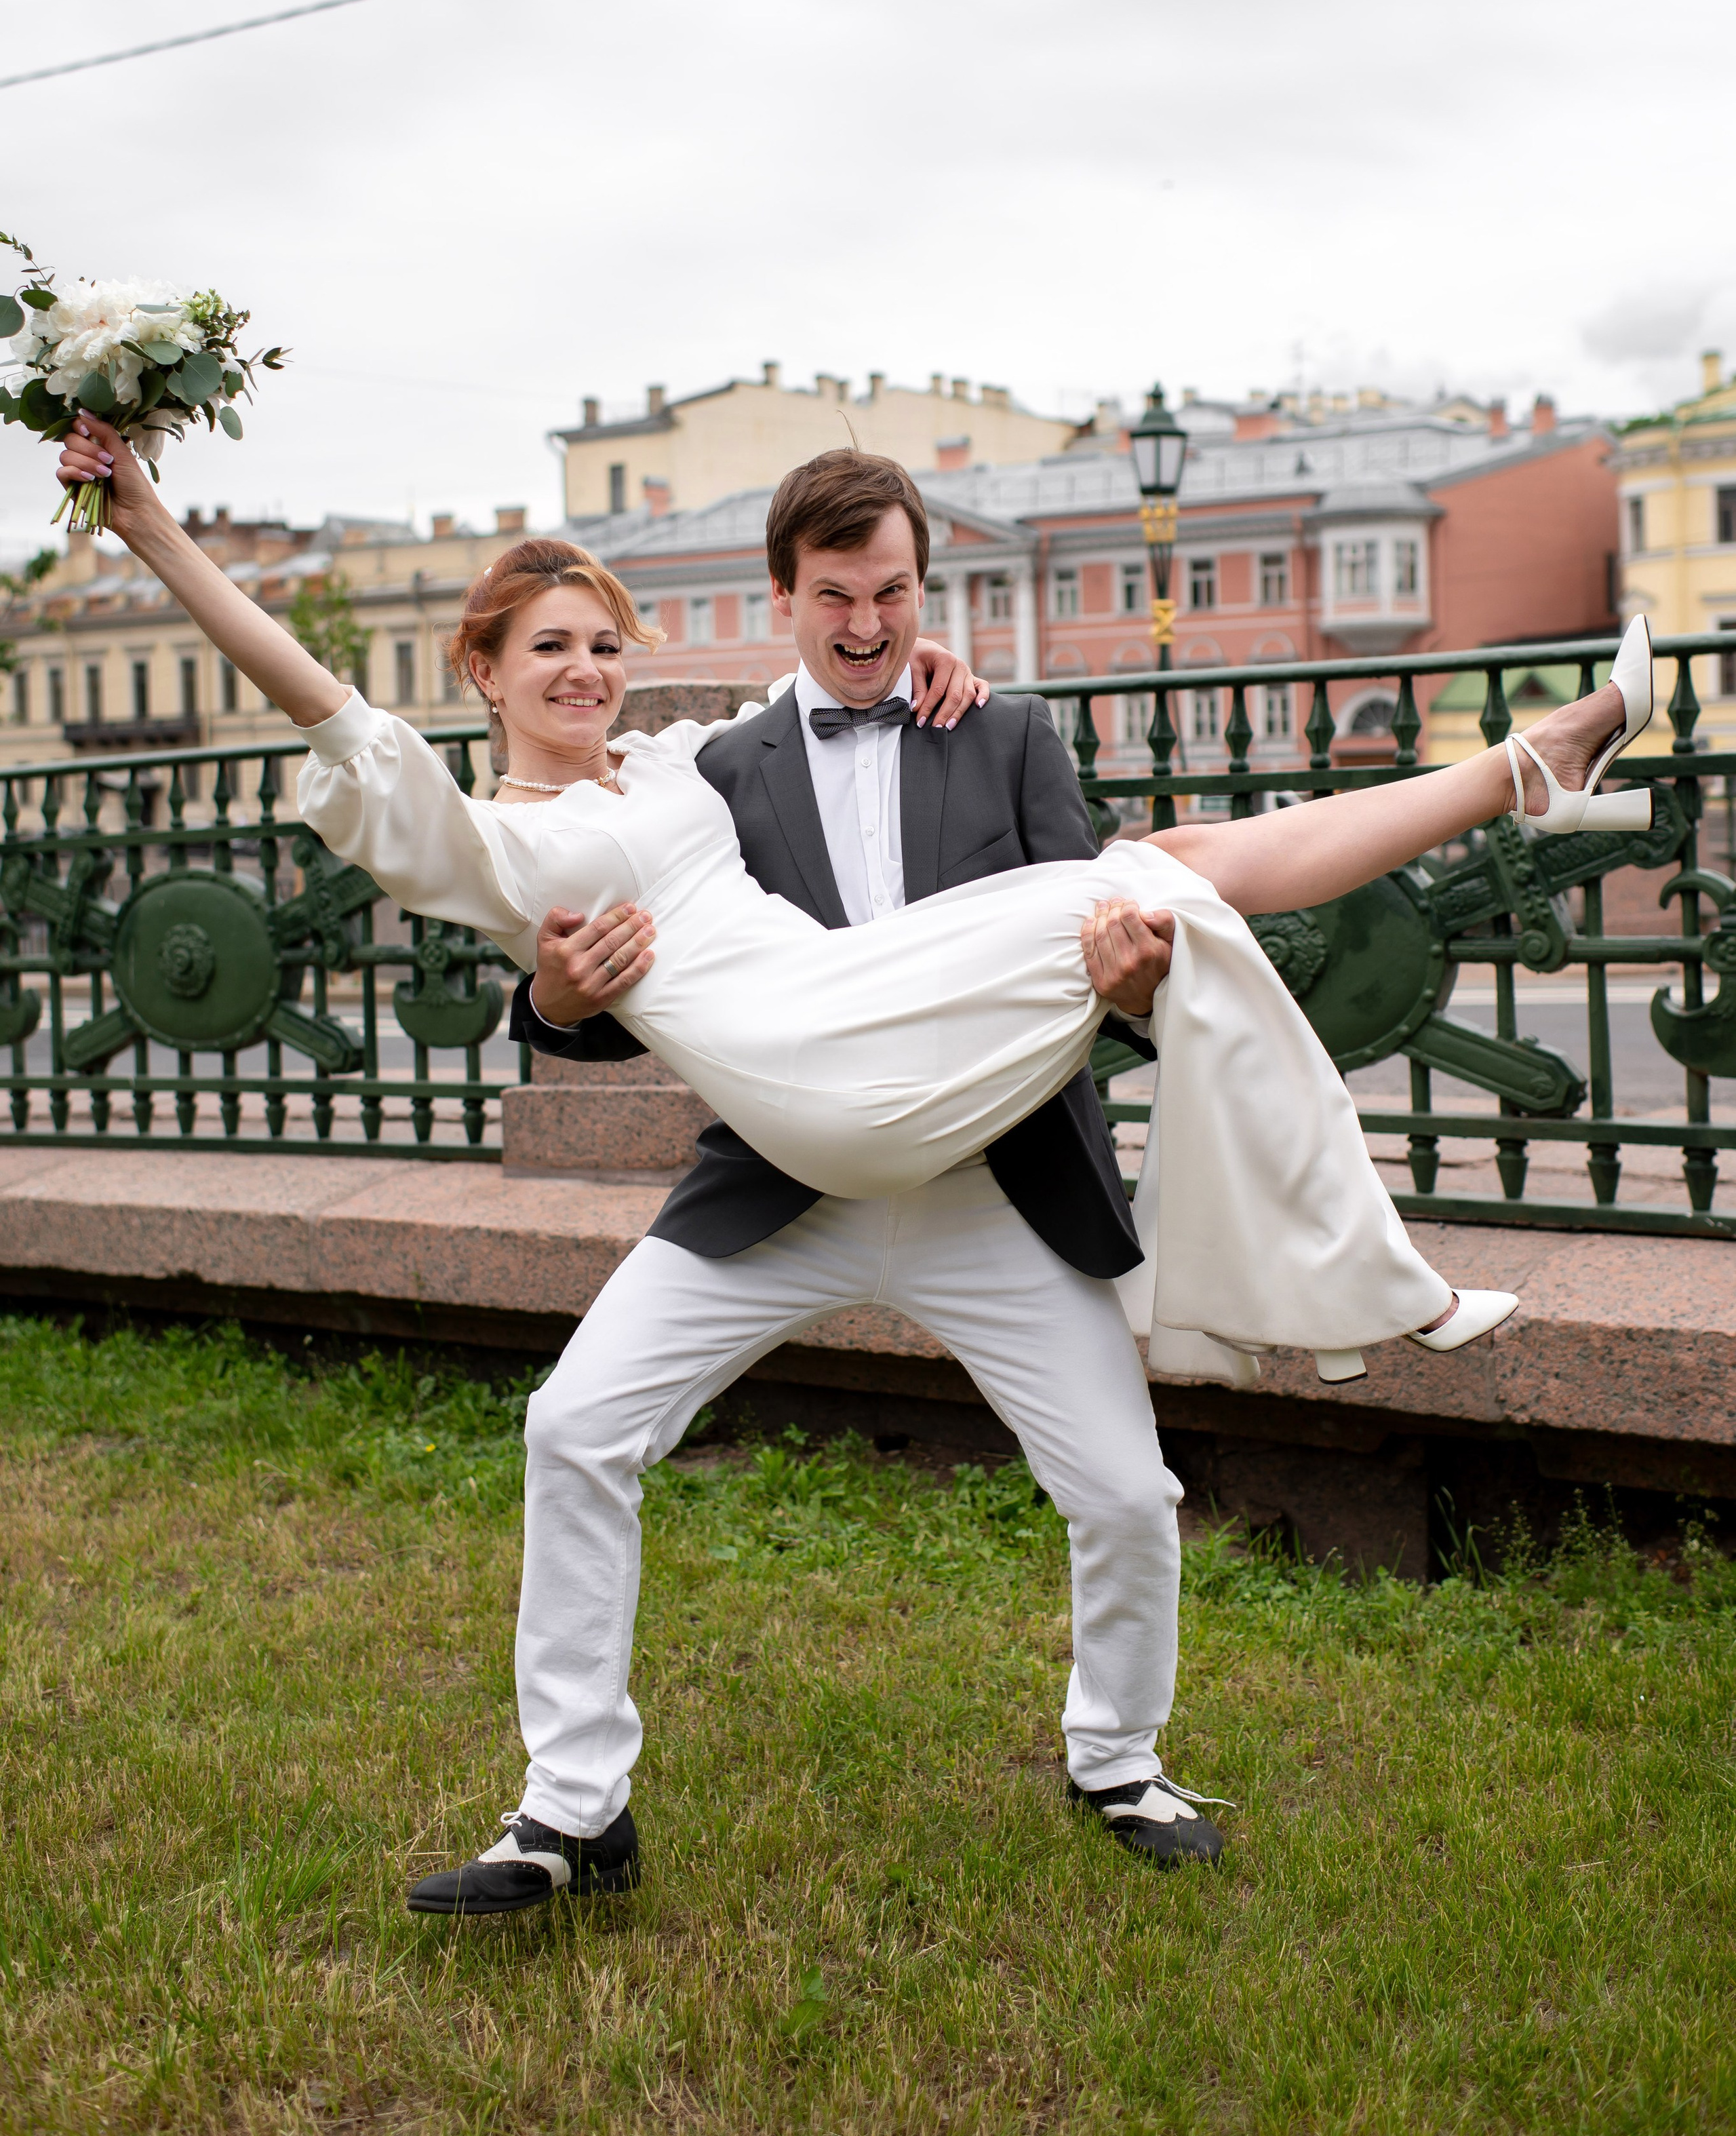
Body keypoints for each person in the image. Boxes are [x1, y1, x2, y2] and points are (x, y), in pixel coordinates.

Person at [56, 415, 1650, 1911]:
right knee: (574, 1425)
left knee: (1125, 1471)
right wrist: (152, 529)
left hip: (972, 1149)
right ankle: (569, 1809)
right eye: (548, 647)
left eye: (605, 641)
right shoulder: (508, 837)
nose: (585, 668)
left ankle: (1118, 1760)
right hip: (795, 1138)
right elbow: (329, 708)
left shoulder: (714, 756)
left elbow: (903, 747)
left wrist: (1112, 960)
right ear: (479, 669)